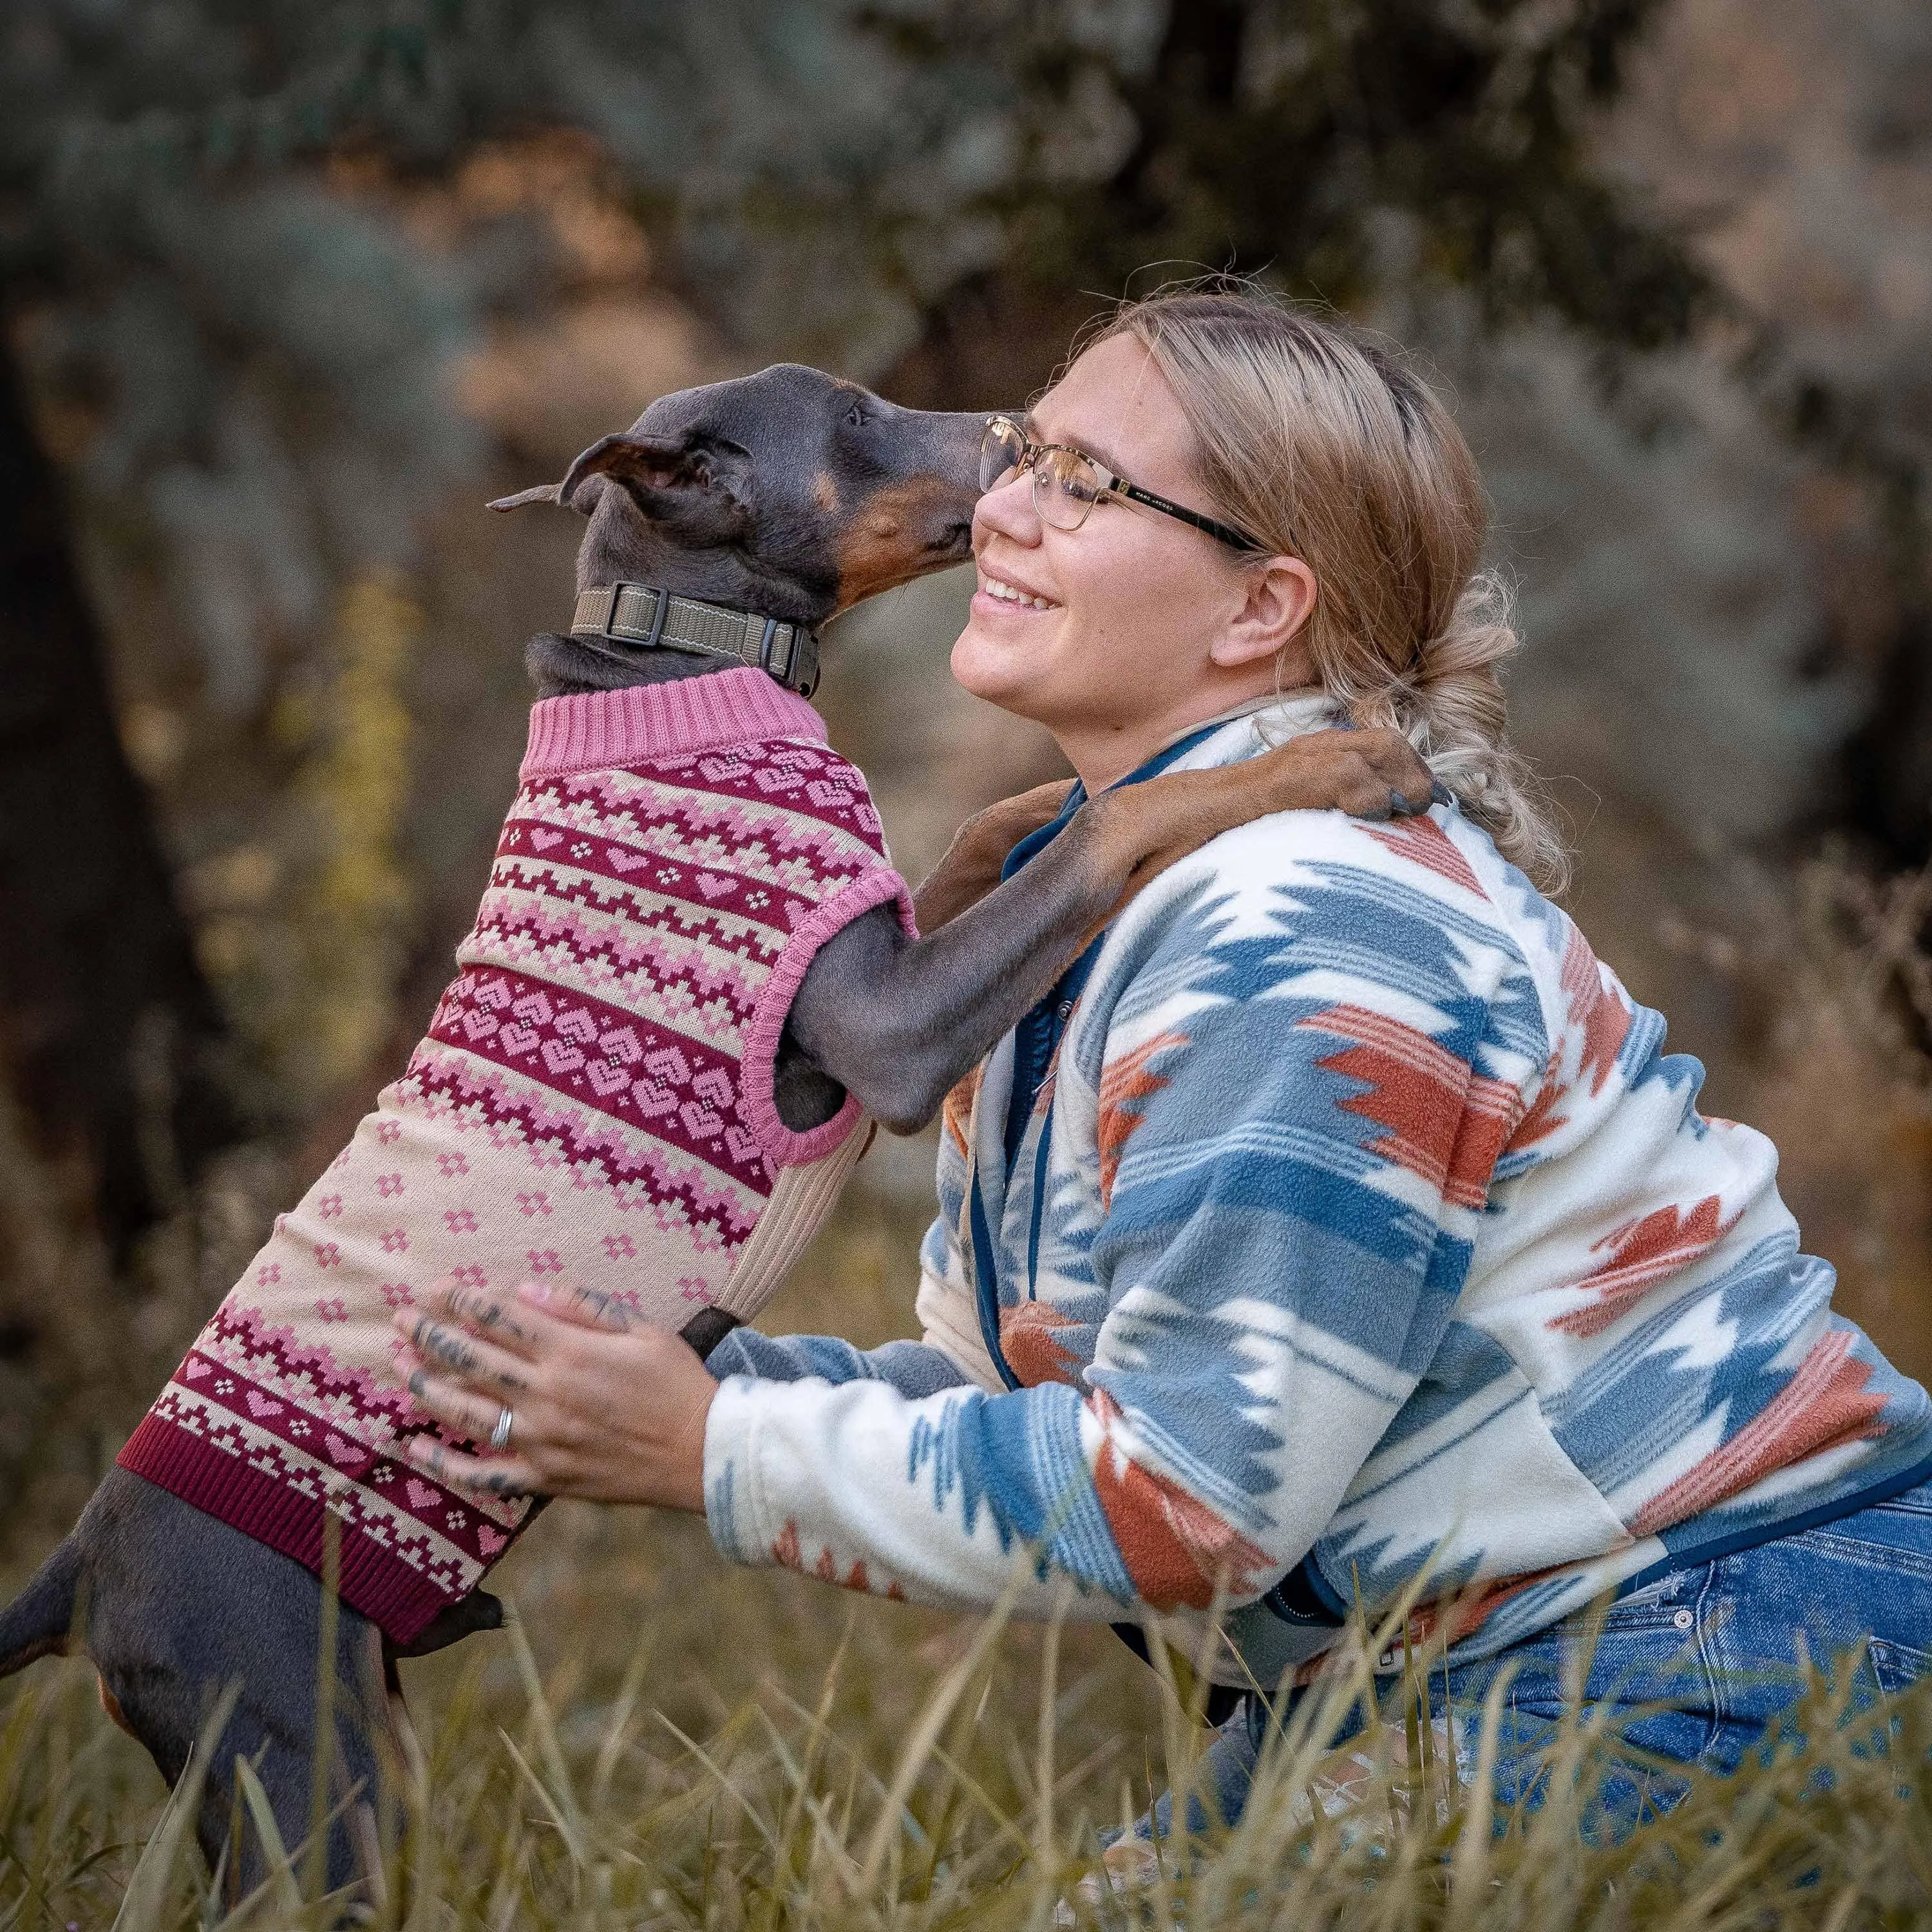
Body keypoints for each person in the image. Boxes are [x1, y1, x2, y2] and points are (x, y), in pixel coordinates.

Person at [393, 285, 1932, 1832]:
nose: (1002, 508)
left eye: (1082, 486)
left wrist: (710, 1445)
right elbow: (1034, 1397)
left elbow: (1190, 1500)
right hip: (1451, 1672)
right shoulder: (1095, 901)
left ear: (1260, 610)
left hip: (1722, 1647)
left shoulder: (1313, 933)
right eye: (1026, 459)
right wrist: (657, 1386)